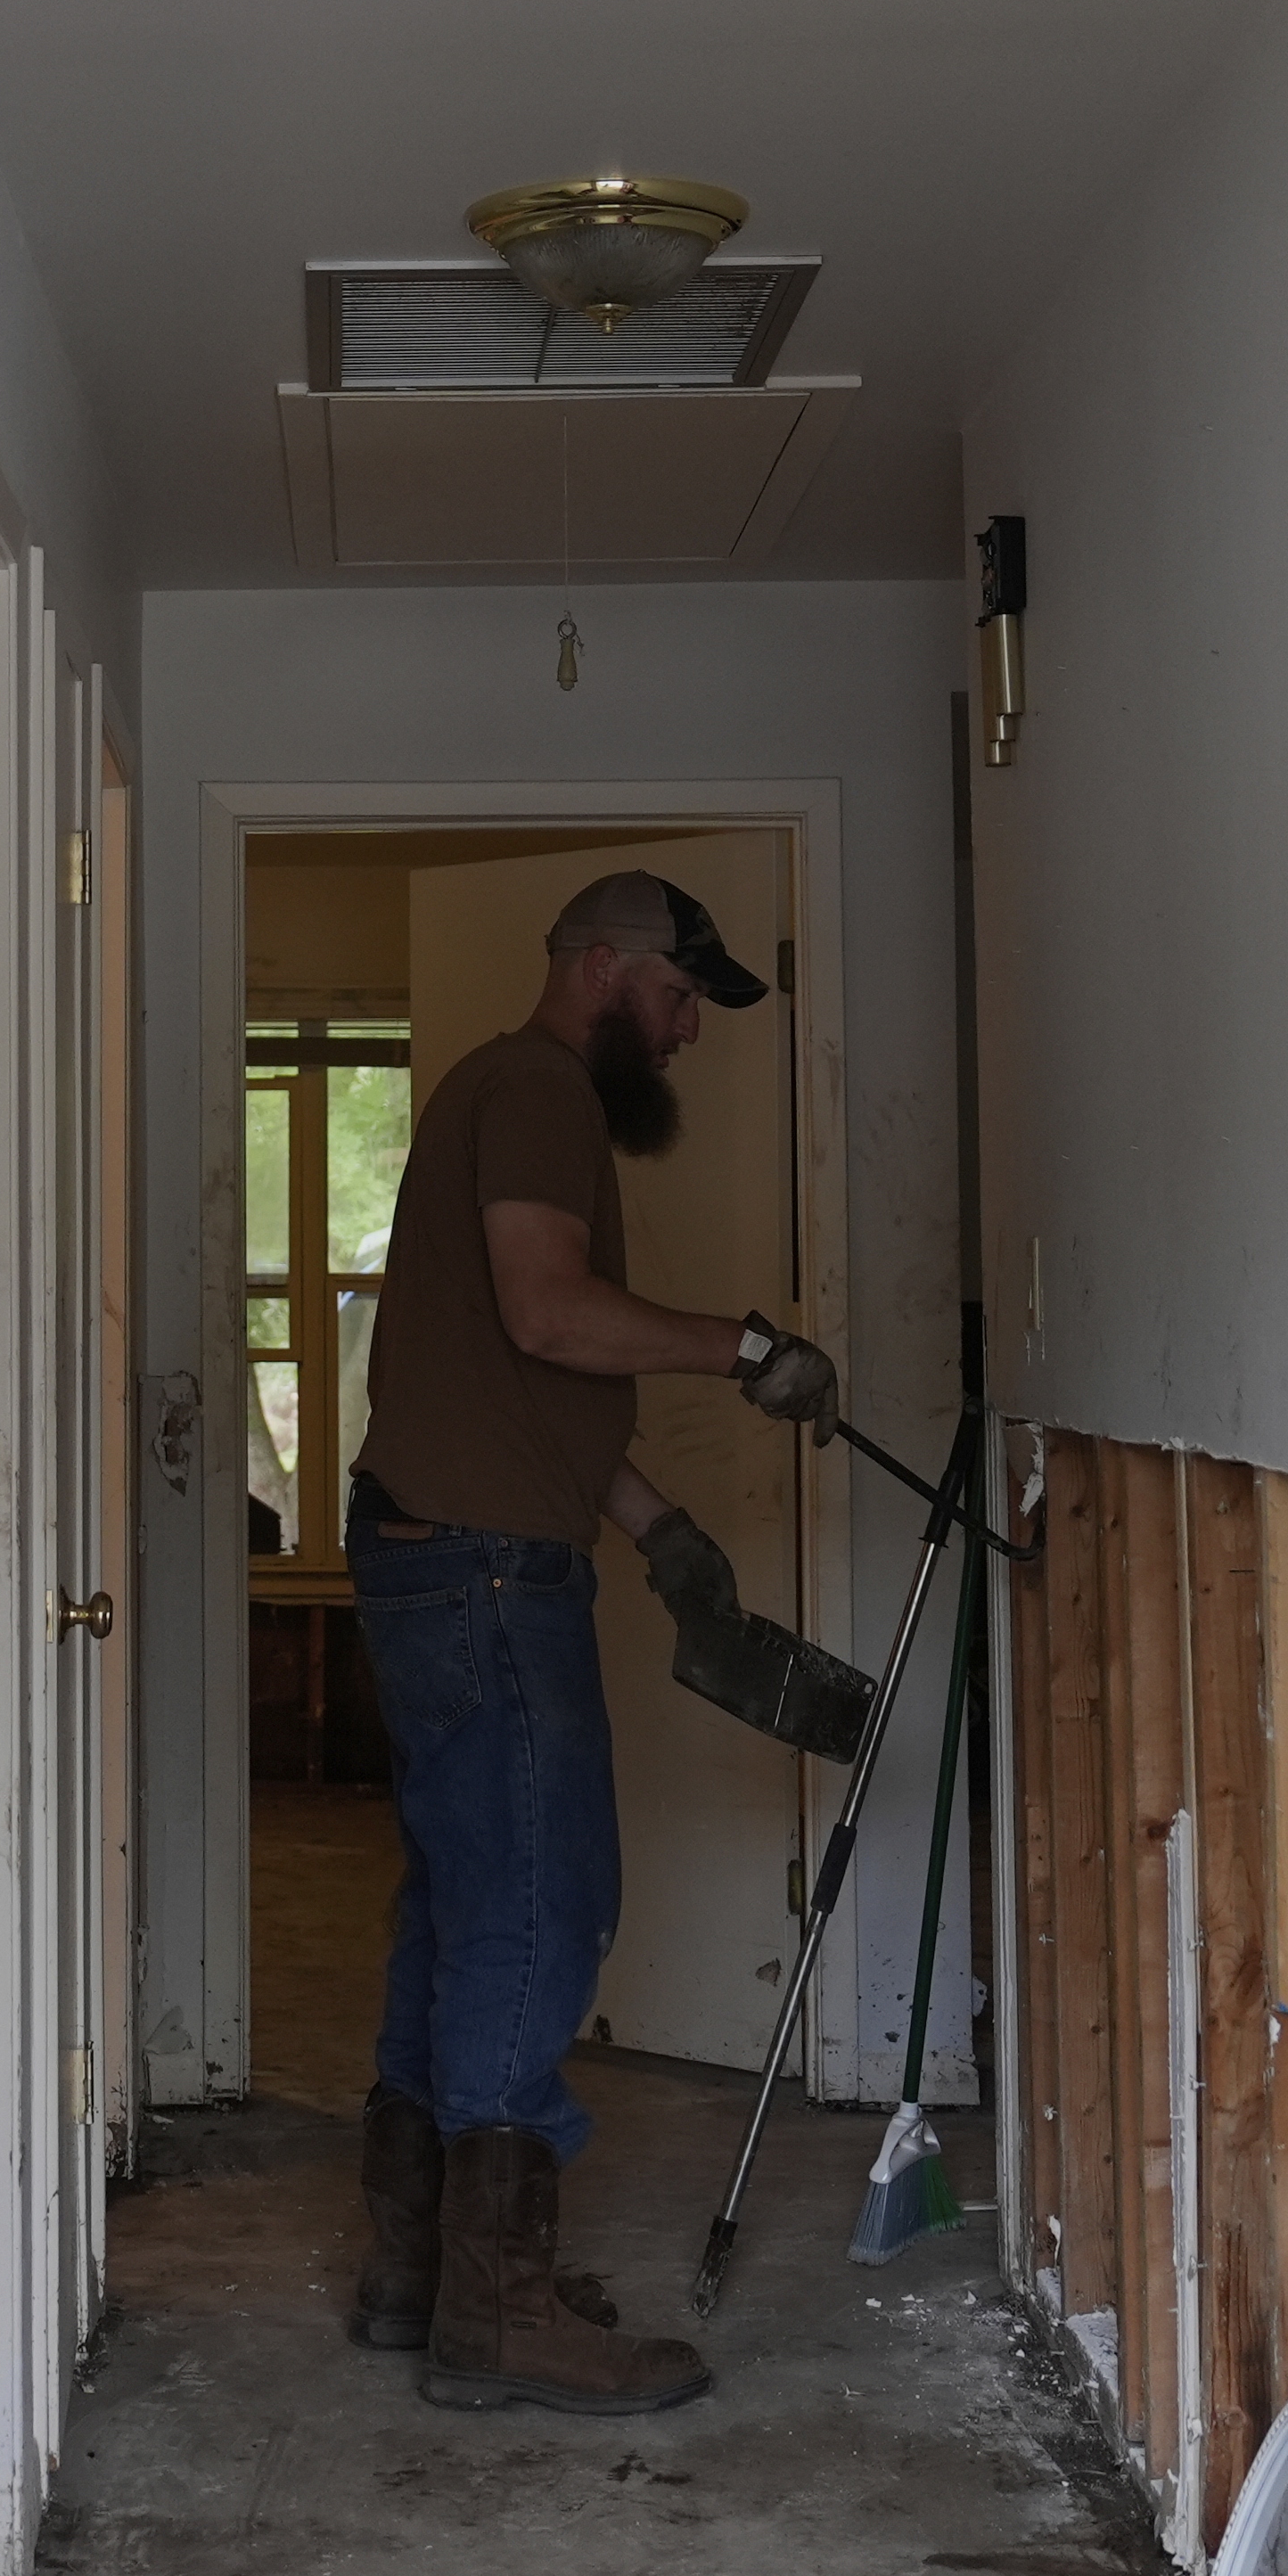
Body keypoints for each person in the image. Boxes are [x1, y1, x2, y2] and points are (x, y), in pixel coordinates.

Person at [339, 867, 840, 2415]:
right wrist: (743, 1350)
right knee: (541, 1903)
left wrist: (651, 1525)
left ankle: (414, 2274)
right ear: (608, 969)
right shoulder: (542, 1091)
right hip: (488, 1576)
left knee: (463, 1895)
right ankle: (497, 2313)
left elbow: (509, 1372)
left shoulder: (491, 1093)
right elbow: (552, 1315)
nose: (688, 1033)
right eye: (683, 997)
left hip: (438, 1548)